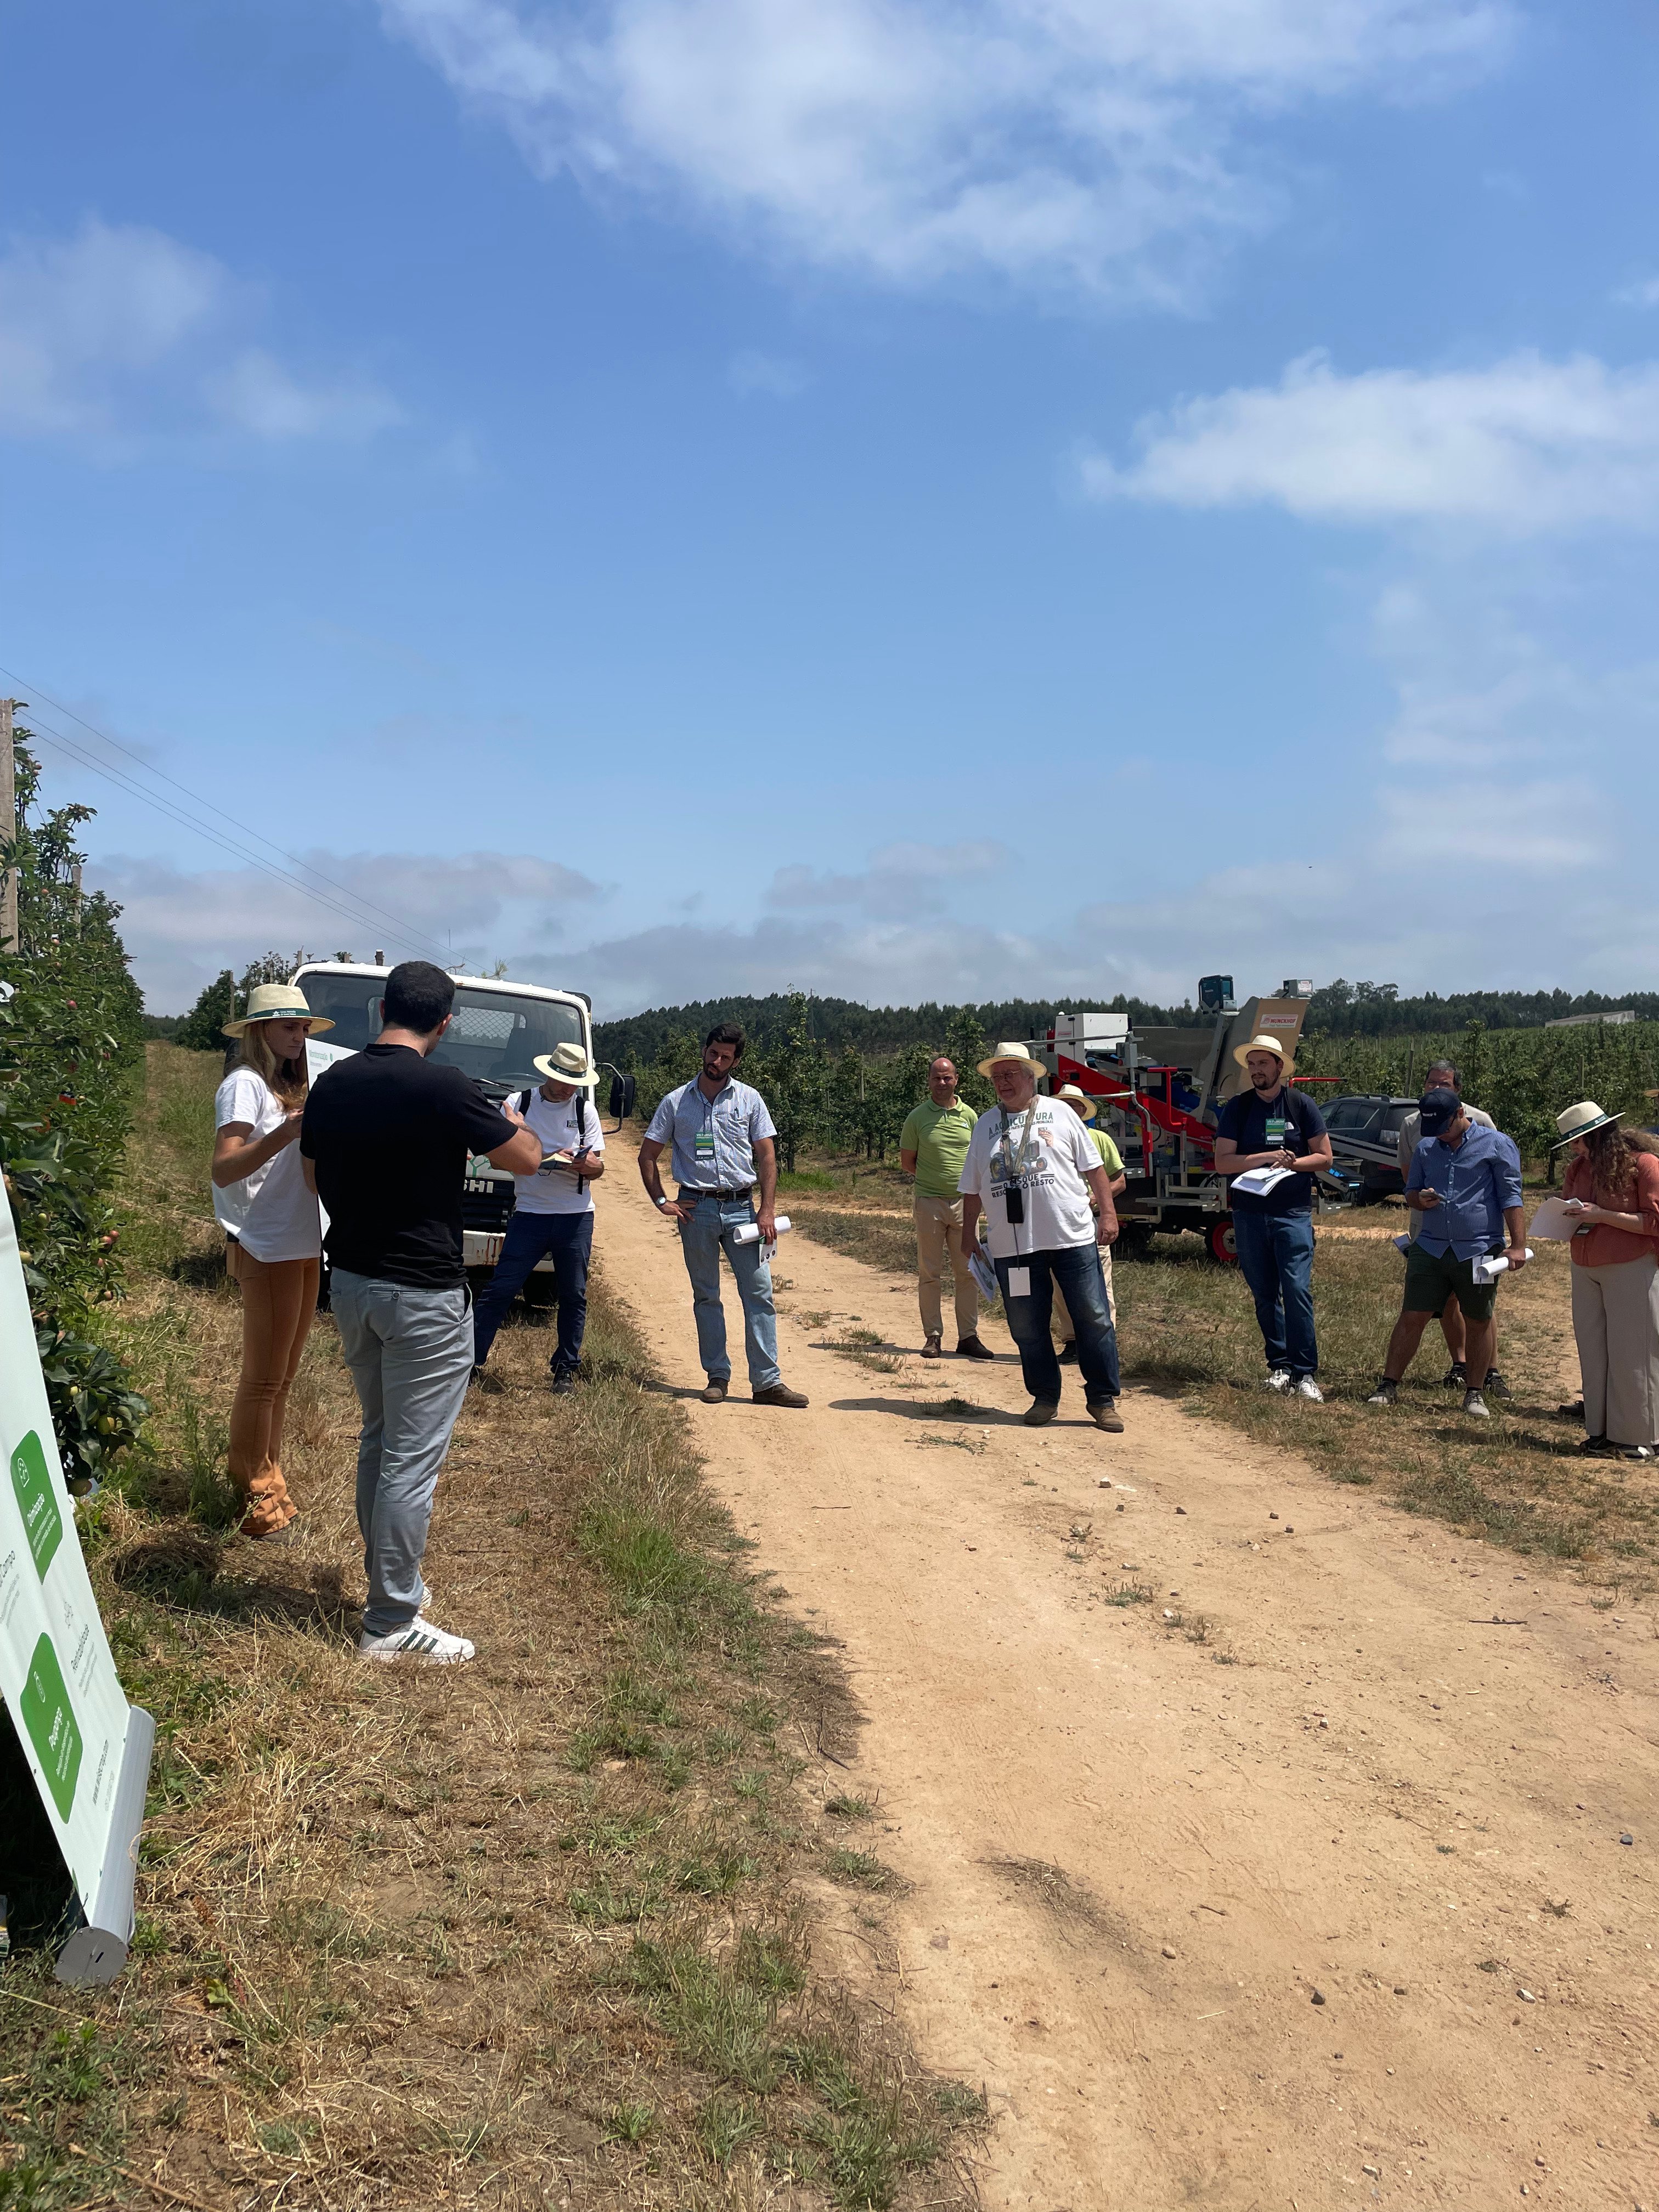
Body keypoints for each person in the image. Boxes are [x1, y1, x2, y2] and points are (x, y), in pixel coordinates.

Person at [301, 960, 541, 1664]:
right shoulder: (446, 1087)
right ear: (445, 1022)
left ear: (381, 1010)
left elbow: (314, 1173)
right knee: (410, 1462)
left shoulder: (334, 1082)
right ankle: (391, 1620)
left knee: (379, 1442)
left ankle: (392, 1583)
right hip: (425, 1296)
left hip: (351, 1282)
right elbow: (524, 1159)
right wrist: (511, 1120)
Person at [211, 983, 331, 1539]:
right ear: (260, 1031)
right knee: (263, 1380)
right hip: (267, 1243)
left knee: (281, 1379)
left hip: (303, 1241)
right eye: (288, 1026)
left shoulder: (290, 1086)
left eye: (304, 1028)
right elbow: (225, 1168)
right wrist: (288, 1132)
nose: (299, 1036)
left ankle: (270, 1481)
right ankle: (255, 1496)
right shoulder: (244, 1086)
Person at [638, 1023, 808, 1408]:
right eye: (713, 1053)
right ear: (704, 1050)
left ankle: (767, 1383)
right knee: (707, 1296)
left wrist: (767, 1209)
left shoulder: (749, 1100)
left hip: (742, 1210)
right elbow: (647, 1155)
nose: (717, 1061)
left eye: (726, 1057)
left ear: (736, 1060)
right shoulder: (676, 1102)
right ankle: (717, 1376)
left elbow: (766, 1156)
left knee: (759, 1293)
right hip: (695, 1210)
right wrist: (662, 1201)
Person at [957, 1043, 1123, 1431]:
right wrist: (968, 1234)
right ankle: (1045, 1397)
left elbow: (1095, 1169)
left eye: (1010, 1075)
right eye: (997, 1077)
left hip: (1071, 1239)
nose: (1002, 1083)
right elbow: (971, 1188)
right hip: (1013, 1248)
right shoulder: (984, 1125)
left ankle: (1102, 1400)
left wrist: (1109, 1214)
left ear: (1032, 1078)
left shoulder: (1061, 1113)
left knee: (1094, 1318)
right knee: (1027, 1328)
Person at [1366, 1087, 1526, 1419]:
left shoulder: (1497, 1144)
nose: (1439, 1134)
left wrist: (1518, 1245)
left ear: (1460, 1114)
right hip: (1431, 1246)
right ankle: (1388, 1385)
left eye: (1444, 1126)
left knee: (1479, 1319)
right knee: (1412, 1316)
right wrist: (1417, 1199)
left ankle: (1475, 1393)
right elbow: (1410, 1191)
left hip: (1481, 1247)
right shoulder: (1427, 1148)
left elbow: (1511, 1197)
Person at [470, 1039, 606, 1395]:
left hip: (576, 1217)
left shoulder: (584, 1112)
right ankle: (470, 1362)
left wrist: (588, 1165)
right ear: (548, 1073)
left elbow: (597, 1168)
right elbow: (497, 1160)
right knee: (501, 1289)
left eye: (573, 1083)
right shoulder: (519, 1104)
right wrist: (541, 1154)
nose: (565, 1088)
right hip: (529, 1214)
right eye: (561, 1079)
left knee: (574, 1294)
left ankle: (565, 1371)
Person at [1214, 1034, 1333, 1401]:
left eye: (1263, 1063)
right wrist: (1264, 1158)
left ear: (1279, 1066)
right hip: (1249, 1214)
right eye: (1252, 1065)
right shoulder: (1239, 1108)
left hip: (1292, 1213)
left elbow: (1325, 1158)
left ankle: (1305, 1373)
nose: (1256, 1071)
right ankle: (1279, 1366)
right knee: (1264, 1294)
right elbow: (1223, 1162)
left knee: (1296, 1290)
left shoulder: (1301, 1105)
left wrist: (1294, 1163)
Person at [1395, 1059, 1507, 1397]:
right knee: (1445, 1299)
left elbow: (1498, 1176)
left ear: (1458, 1091)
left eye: (1444, 1085)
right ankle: (1459, 1363)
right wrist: (1421, 1197)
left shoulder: (1481, 1120)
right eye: (1431, 1083)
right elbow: (1407, 1173)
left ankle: (1491, 1371)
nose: (1436, 1089)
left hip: (1474, 1235)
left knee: (1478, 1302)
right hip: (1427, 1227)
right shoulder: (1412, 1124)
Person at [1555, 1099, 1659, 1459]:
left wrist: (1603, 1215)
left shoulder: (1644, 1165)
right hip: (1584, 1268)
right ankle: (1600, 1433)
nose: (1574, 1148)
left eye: (1578, 1140)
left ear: (1598, 1135)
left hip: (1631, 1267)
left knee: (1633, 1352)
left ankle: (1640, 1438)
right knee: (1594, 1351)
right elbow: (1569, 1211)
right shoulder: (1578, 1168)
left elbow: (1654, 1222)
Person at [899, 1055, 992, 1361]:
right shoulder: (917, 1118)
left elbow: (979, 1158)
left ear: (956, 1080)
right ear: (929, 1081)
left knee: (968, 1272)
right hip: (929, 1203)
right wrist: (935, 1181)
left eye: (947, 1077)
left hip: (966, 1205)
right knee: (930, 1273)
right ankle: (933, 1337)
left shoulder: (970, 1117)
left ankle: (968, 1337)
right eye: (937, 1078)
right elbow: (907, 1162)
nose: (942, 1083)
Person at [1052, 1084, 1126, 1358]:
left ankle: (1106, 1341)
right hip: (1059, 1224)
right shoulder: (1048, 1138)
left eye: (1076, 1105)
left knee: (1100, 1282)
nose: (1071, 1110)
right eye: (1065, 1105)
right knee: (1060, 1285)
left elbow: (1119, 1181)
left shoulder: (1100, 1139)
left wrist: (1096, 1199)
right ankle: (1072, 1341)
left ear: (1084, 1111)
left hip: (1092, 1221)